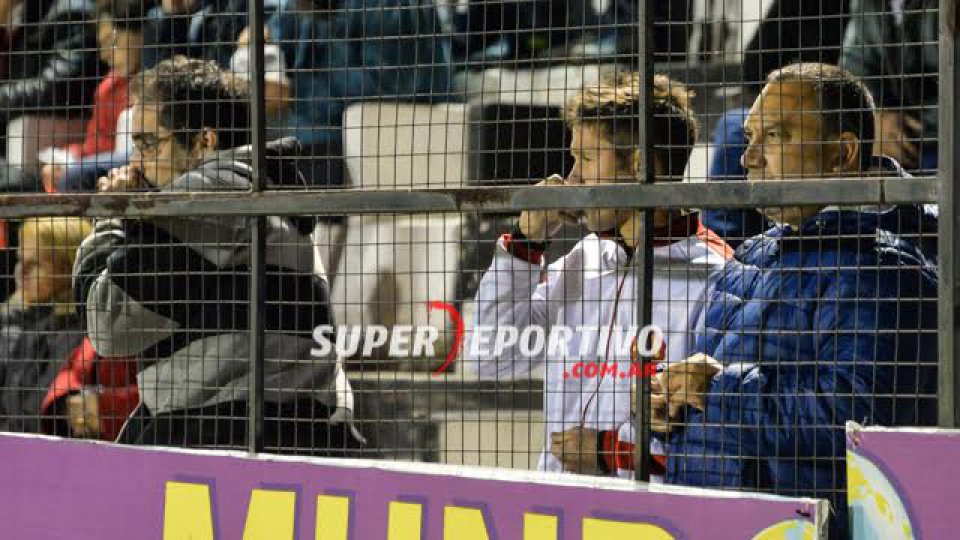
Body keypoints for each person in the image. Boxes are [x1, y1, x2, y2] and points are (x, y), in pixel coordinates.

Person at [655, 63, 937, 538]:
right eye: (749, 136)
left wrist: (713, 391)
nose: (748, 158)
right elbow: (721, 406)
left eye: (776, 136)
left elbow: (855, 422)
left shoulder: (890, 270)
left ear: (842, 153)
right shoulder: (750, 256)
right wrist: (671, 414)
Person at [73, 56, 357, 454]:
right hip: (270, 427)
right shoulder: (260, 190)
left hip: (229, 433)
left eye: (148, 143)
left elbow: (107, 325)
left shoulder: (210, 192)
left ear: (205, 141)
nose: (136, 163)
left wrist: (110, 218)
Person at [466, 72, 732, 475]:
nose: (572, 179)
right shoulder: (583, 257)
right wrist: (524, 245)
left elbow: (727, 439)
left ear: (639, 163)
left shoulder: (718, 275)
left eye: (586, 159)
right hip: (555, 509)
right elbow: (491, 359)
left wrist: (614, 454)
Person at [39, 0, 154, 193]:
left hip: (139, 164)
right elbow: (93, 143)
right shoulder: (107, 88)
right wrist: (69, 156)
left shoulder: (157, 84)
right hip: (104, 165)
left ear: (140, 34)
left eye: (113, 42)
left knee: (74, 176)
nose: (105, 55)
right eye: (103, 45)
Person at [0, 218, 92, 434]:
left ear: (69, 266)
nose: (21, 272)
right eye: (20, 260)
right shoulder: (32, 324)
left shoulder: (81, 334)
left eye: (36, 264)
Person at [840, 0, 937, 171]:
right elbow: (855, 69)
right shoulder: (868, 5)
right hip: (909, 141)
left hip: (938, 139)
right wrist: (878, 118)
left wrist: (911, 131)